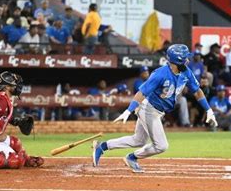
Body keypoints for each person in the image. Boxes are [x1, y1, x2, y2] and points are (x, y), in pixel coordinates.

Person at [92, 44, 218, 173]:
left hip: (158, 111)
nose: (188, 60)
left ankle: (102, 146)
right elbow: (142, 93)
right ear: (178, 60)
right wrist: (128, 110)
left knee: (138, 140)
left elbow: (197, 91)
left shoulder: (186, 72)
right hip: (148, 109)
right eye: (185, 58)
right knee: (161, 146)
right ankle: (132, 157)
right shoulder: (160, 74)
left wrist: (208, 110)